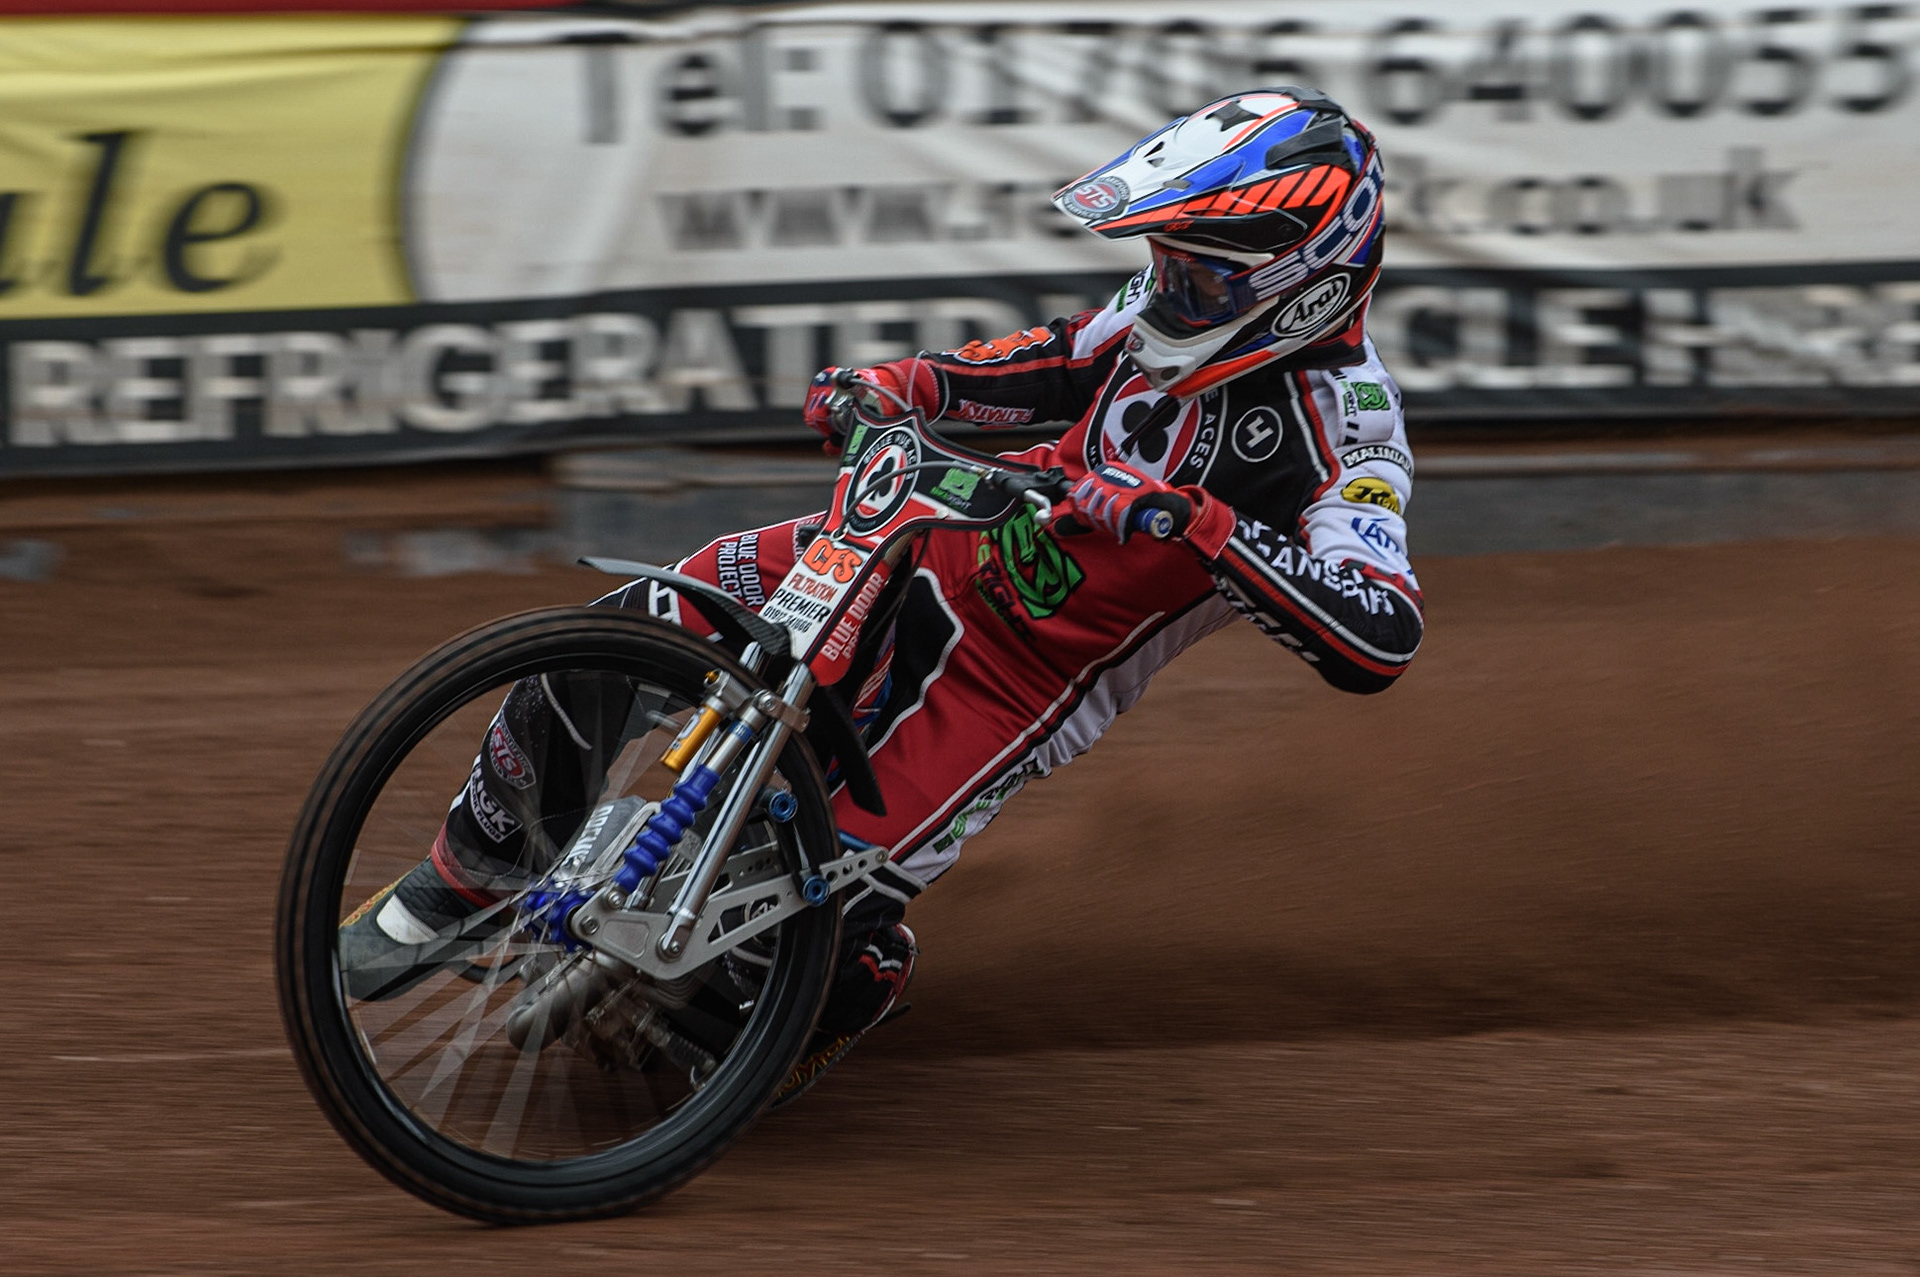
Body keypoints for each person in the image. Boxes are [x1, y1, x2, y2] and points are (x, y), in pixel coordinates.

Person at [340, 88, 1423, 1103]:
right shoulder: (1168, 307)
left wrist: (1208, 527)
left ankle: (840, 985)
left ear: (1308, 285)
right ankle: (465, 873)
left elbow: (1381, 634)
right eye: (1166, 260)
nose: (1168, 289)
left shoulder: (1350, 432)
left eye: (1199, 276)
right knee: (626, 629)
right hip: (923, 538)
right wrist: (903, 383)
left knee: (784, 928)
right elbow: (1051, 363)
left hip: (1010, 687)